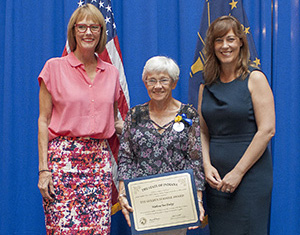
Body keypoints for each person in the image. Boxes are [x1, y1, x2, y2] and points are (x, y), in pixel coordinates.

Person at [37, 4, 123, 234]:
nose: (88, 32)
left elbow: (115, 121)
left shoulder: (112, 73)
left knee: (98, 229)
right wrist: (43, 170)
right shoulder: (53, 68)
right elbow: (43, 121)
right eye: (82, 27)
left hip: (99, 161)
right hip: (63, 162)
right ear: (73, 31)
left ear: (101, 32)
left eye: (94, 27)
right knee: (63, 229)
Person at [197, 16, 275, 234]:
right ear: (212, 46)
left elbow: (267, 130)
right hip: (217, 180)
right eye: (219, 40)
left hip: (250, 178)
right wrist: (206, 165)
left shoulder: (255, 79)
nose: (225, 46)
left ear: (241, 42)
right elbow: (203, 131)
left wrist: (238, 172)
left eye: (230, 39)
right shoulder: (206, 86)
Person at [117, 56, 205, 235]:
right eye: (152, 80)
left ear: (174, 83)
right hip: (143, 202)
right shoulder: (134, 115)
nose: (158, 86)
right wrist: (122, 192)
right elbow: (126, 157)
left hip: (177, 201)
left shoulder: (188, 114)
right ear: (145, 83)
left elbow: (195, 159)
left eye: (164, 80)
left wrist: (198, 198)